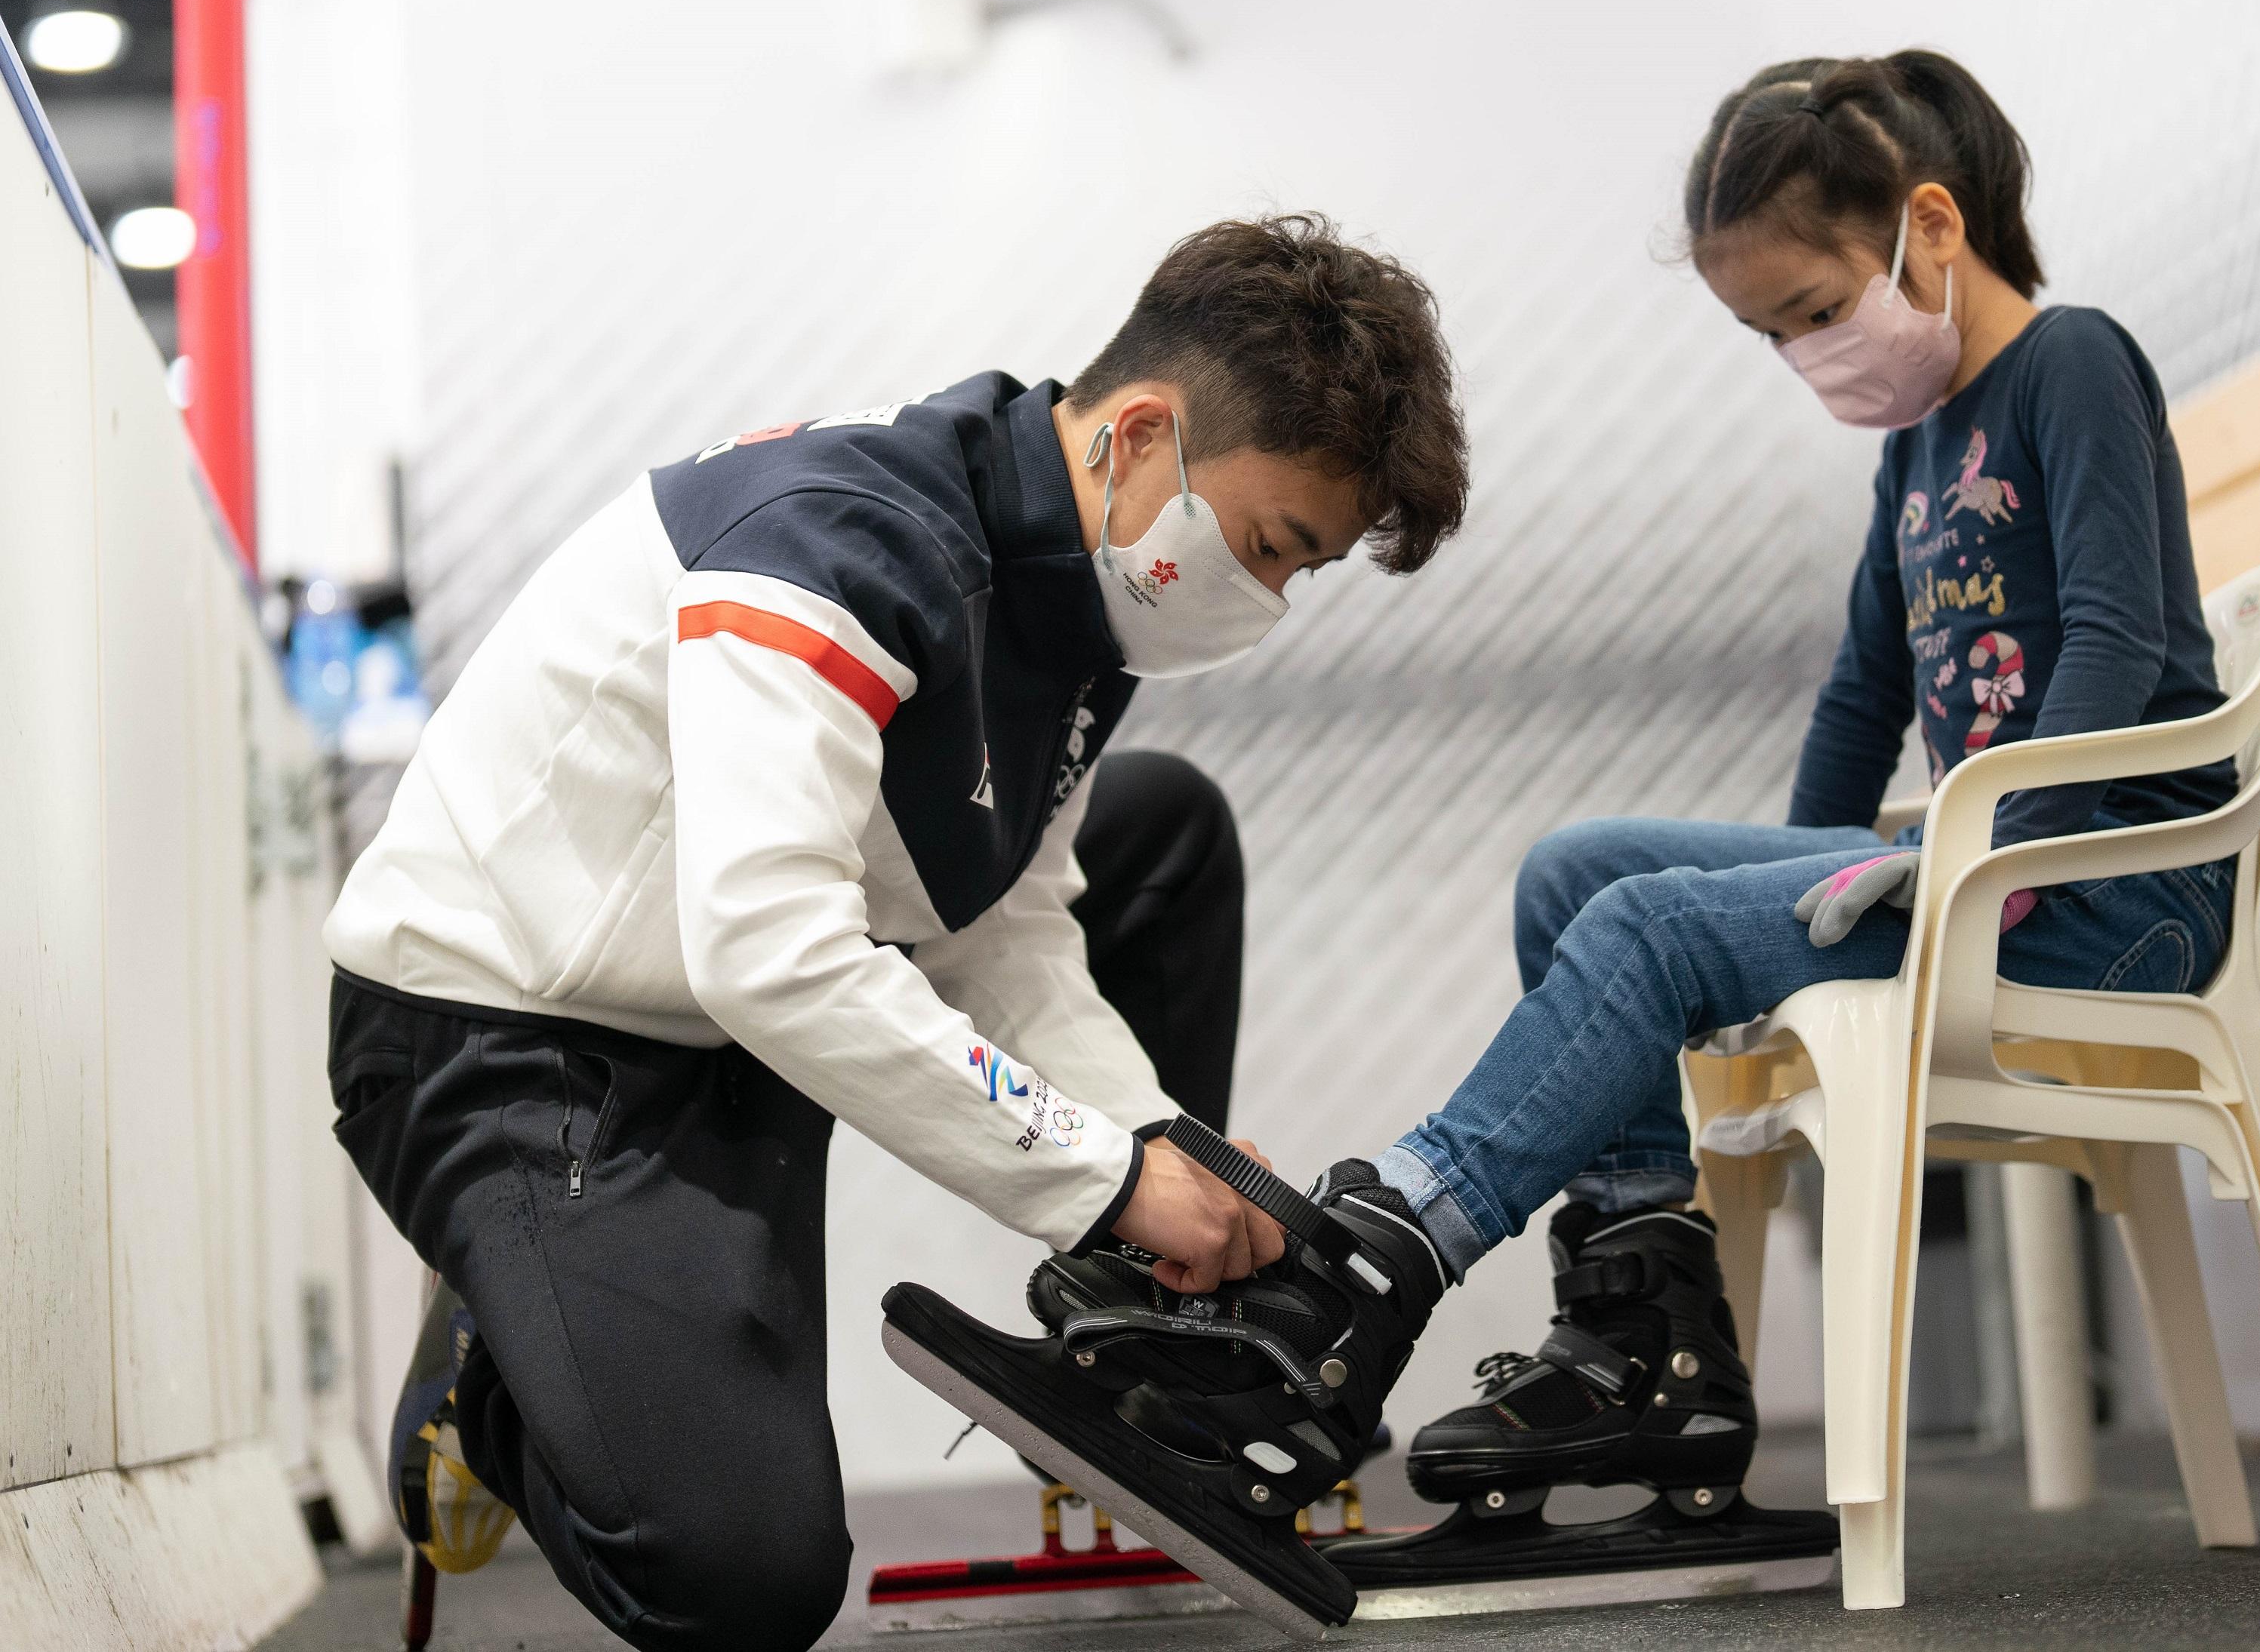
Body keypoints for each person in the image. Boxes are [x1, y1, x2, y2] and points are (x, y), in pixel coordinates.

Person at [913, 51, 2240, 1632]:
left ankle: (1371, 1269)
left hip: (2104, 890)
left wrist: (1968, 845)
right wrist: (1803, 879)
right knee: (1584, 872)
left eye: (1814, 309)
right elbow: (1863, 692)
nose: (1806, 352)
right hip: (1984, 872)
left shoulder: (2072, 366)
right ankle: (1643, 1341)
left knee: (1654, 933)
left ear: (1930, 226)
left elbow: (2102, 644)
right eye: (1772, 335)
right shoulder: (1918, 446)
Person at [325, 214, 1467, 1652]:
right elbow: (770, 951)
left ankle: (1157, 1353)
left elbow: (1010, 925)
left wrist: (1165, 1148)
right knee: (742, 1584)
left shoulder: (1067, 586)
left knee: (1157, 833)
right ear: (1138, 436)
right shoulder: (833, 545)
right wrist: (1097, 1178)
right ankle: (493, 1370)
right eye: (1269, 545)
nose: (1271, 599)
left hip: (734, 1006)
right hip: (517, 1037)